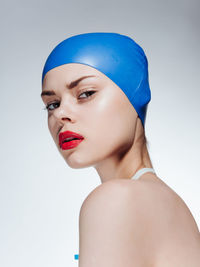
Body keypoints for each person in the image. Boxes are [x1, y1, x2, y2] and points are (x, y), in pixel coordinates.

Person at [40, 32, 200, 266]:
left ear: (137, 94)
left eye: (85, 94)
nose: (60, 114)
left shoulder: (116, 200)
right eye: (52, 104)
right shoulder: (174, 208)